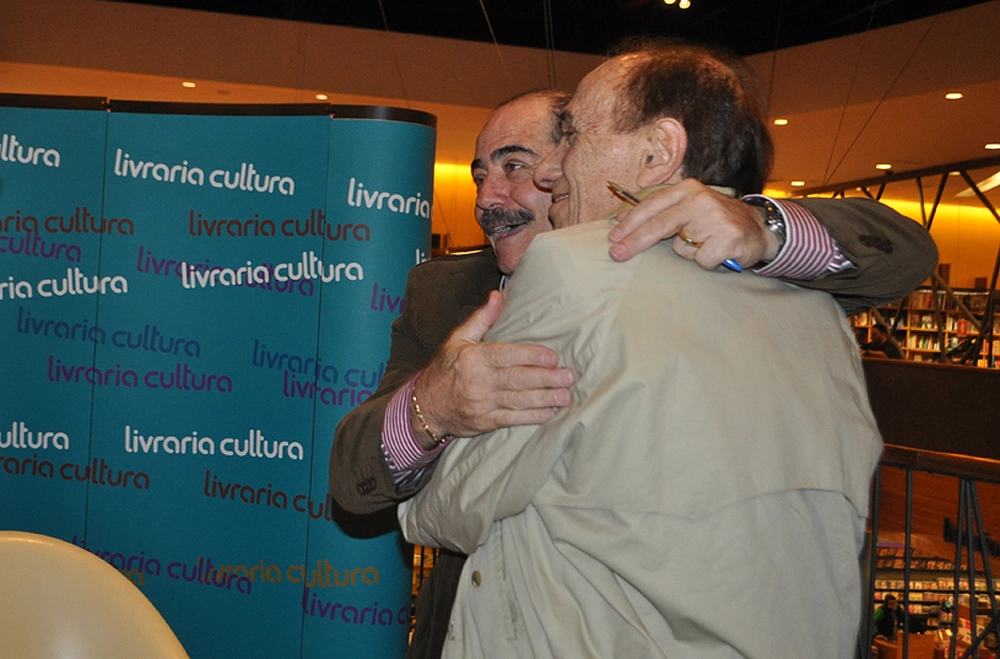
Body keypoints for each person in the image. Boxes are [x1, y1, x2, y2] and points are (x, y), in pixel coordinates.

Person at [331, 91, 937, 658]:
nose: (488, 196)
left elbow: (903, 248)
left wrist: (763, 228)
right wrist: (431, 409)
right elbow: (352, 472)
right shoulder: (442, 291)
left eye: (516, 164)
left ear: (575, 160)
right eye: (480, 174)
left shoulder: (708, 263)